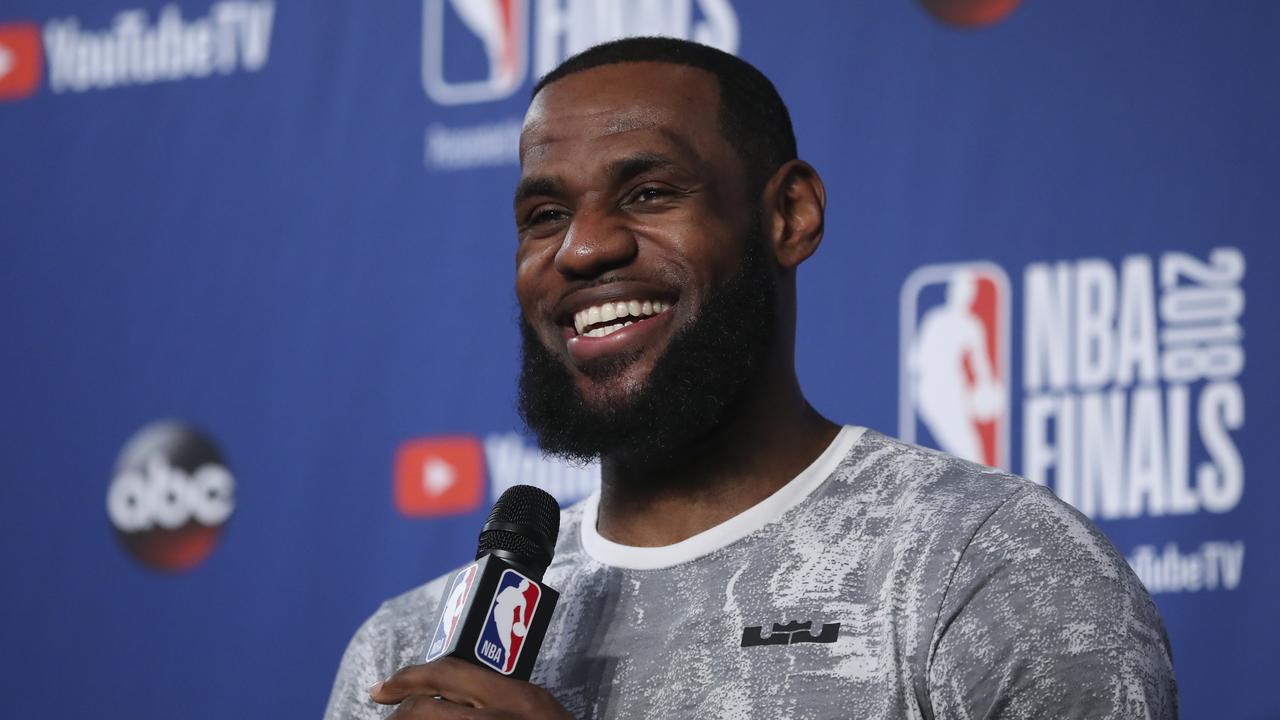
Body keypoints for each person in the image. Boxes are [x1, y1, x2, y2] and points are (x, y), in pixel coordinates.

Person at [324, 37, 1176, 719]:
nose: (582, 249)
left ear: (788, 215)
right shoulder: (405, 661)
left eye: (650, 193)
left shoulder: (986, 566)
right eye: (545, 216)